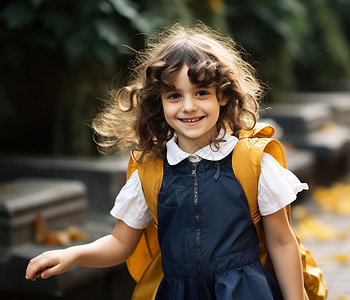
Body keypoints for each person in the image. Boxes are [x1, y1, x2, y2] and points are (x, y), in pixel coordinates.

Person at [25, 23, 307, 300]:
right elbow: (121, 243)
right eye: (174, 95)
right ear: (158, 102)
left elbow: (282, 242)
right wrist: (74, 253)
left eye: (201, 93)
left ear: (222, 95)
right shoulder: (150, 171)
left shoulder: (254, 164)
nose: (188, 106)